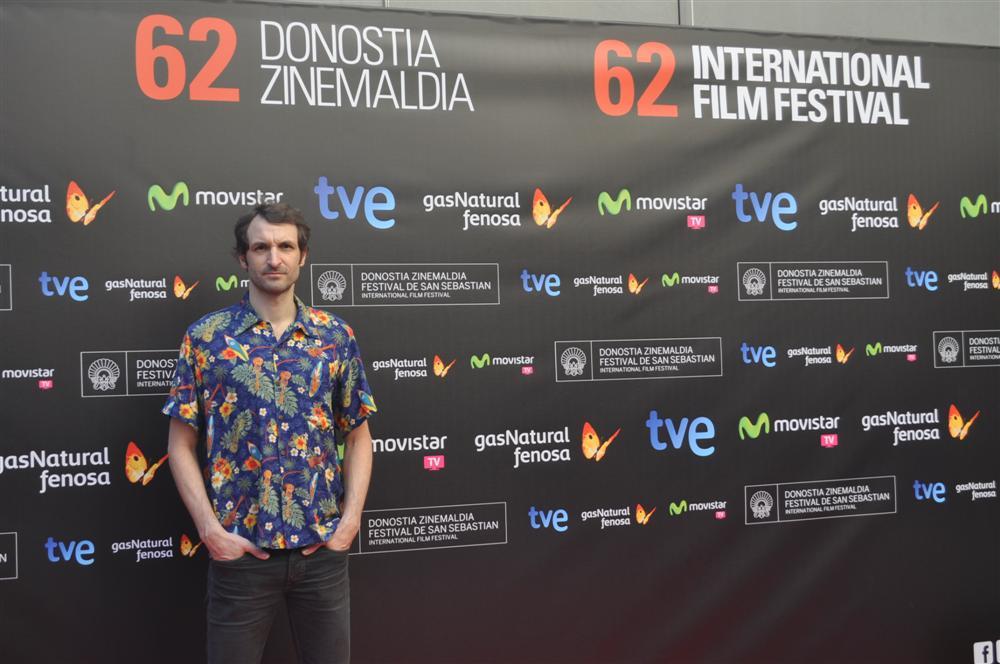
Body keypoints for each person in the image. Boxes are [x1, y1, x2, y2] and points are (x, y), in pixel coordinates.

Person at [163, 202, 375, 664]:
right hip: (240, 556)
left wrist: (349, 524)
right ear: (243, 258)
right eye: (261, 247)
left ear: (303, 256)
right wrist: (210, 531)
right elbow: (180, 444)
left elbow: (358, 436)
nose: (274, 258)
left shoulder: (335, 336)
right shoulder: (206, 339)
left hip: (321, 553)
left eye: (285, 246)